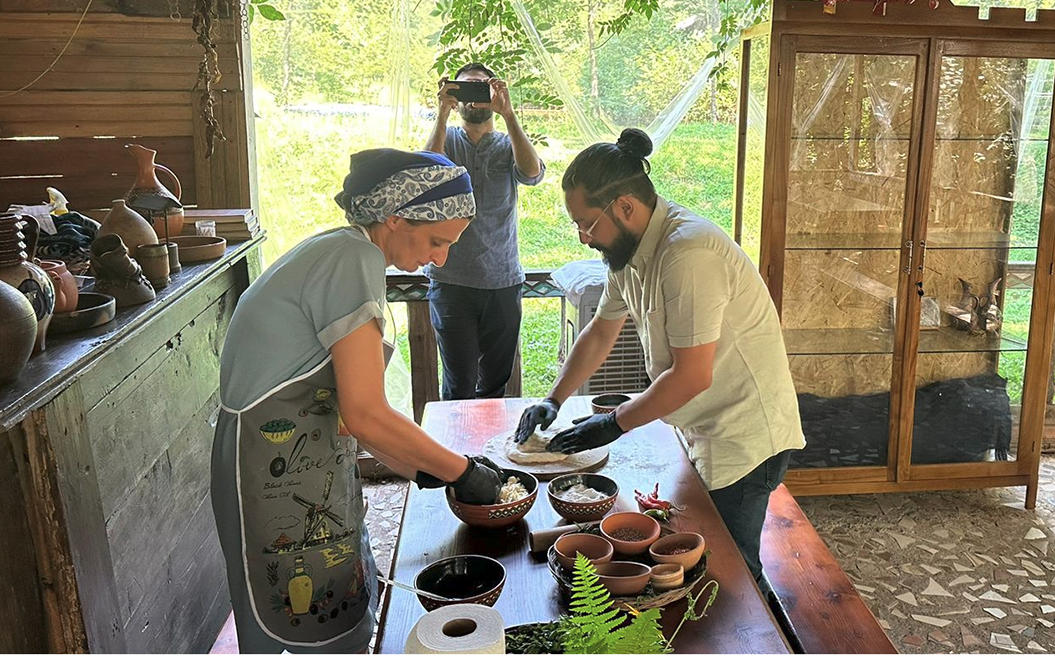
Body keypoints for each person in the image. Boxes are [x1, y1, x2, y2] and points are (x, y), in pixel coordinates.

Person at [211, 149, 504, 653]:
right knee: (306, 614)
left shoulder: (344, 251)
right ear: (395, 218)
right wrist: (462, 471)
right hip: (271, 466)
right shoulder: (352, 259)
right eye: (437, 242)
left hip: (308, 455)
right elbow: (366, 414)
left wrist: (426, 469)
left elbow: (350, 418)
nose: (440, 259)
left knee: (337, 600)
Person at [515, 128, 805, 594]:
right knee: (697, 556)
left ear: (625, 207)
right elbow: (601, 331)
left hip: (744, 435)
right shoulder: (626, 252)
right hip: (701, 425)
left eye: (587, 224)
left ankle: (762, 626)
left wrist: (613, 424)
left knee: (731, 572)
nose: (583, 238)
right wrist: (554, 399)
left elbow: (691, 375)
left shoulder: (688, 253)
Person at [423, 62, 545, 400]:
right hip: (450, 281)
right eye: (465, 89)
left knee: (495, 385)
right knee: (458, 385)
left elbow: (531, 173)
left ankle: (491, 437)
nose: (474, 97)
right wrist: (442, 114)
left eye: (481, 87)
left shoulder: (508, 144)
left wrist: (509, 114)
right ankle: (455, 438)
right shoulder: (447, 140)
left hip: (503, 280)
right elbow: (427, 174)